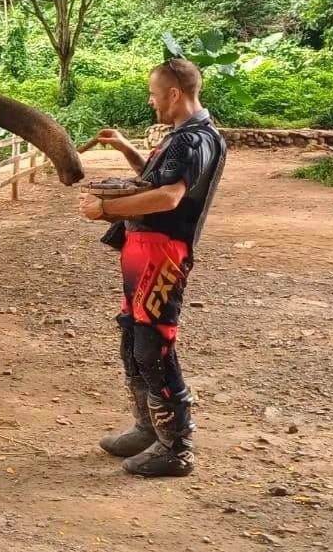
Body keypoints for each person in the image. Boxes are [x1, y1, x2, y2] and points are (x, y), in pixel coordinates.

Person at [78, 58, 227, 477]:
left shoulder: (194, 139)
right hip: (144, 249)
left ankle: (177, 447)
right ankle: (149, 428)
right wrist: (126, 147)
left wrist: (106, 207)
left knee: (153, 345)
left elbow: (167, 198)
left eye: (154, 94)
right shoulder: (182, 137)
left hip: (163, 252)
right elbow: (155, 179)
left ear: (174, 94)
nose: (151, 101)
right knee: (133, 335)